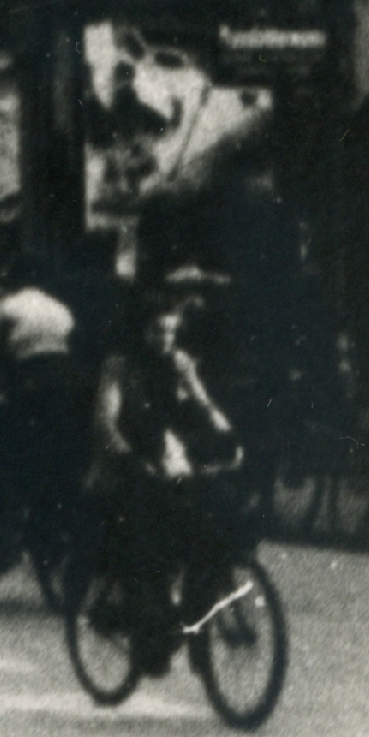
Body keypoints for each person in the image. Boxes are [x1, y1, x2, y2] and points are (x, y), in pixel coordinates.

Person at [84, 275, 239, 675]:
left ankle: (193, 628)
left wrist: (225, 434)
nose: (165, 338)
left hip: (168, 466)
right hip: (127, 470)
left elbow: (205, 404)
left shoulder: (180, 363)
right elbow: (105, 419)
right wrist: (126, 455)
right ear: (141, 329)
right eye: (157, 330)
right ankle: (148, 631)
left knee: (209, 529)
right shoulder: (120, 366)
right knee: (151, 544)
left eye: (171, 330)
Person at [0, 262, 85, 534]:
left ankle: (4, 539)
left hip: (31, 379)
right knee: (52, 451)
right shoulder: (61, 309)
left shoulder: (10, 306)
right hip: (69, 380)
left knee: (7, 453)